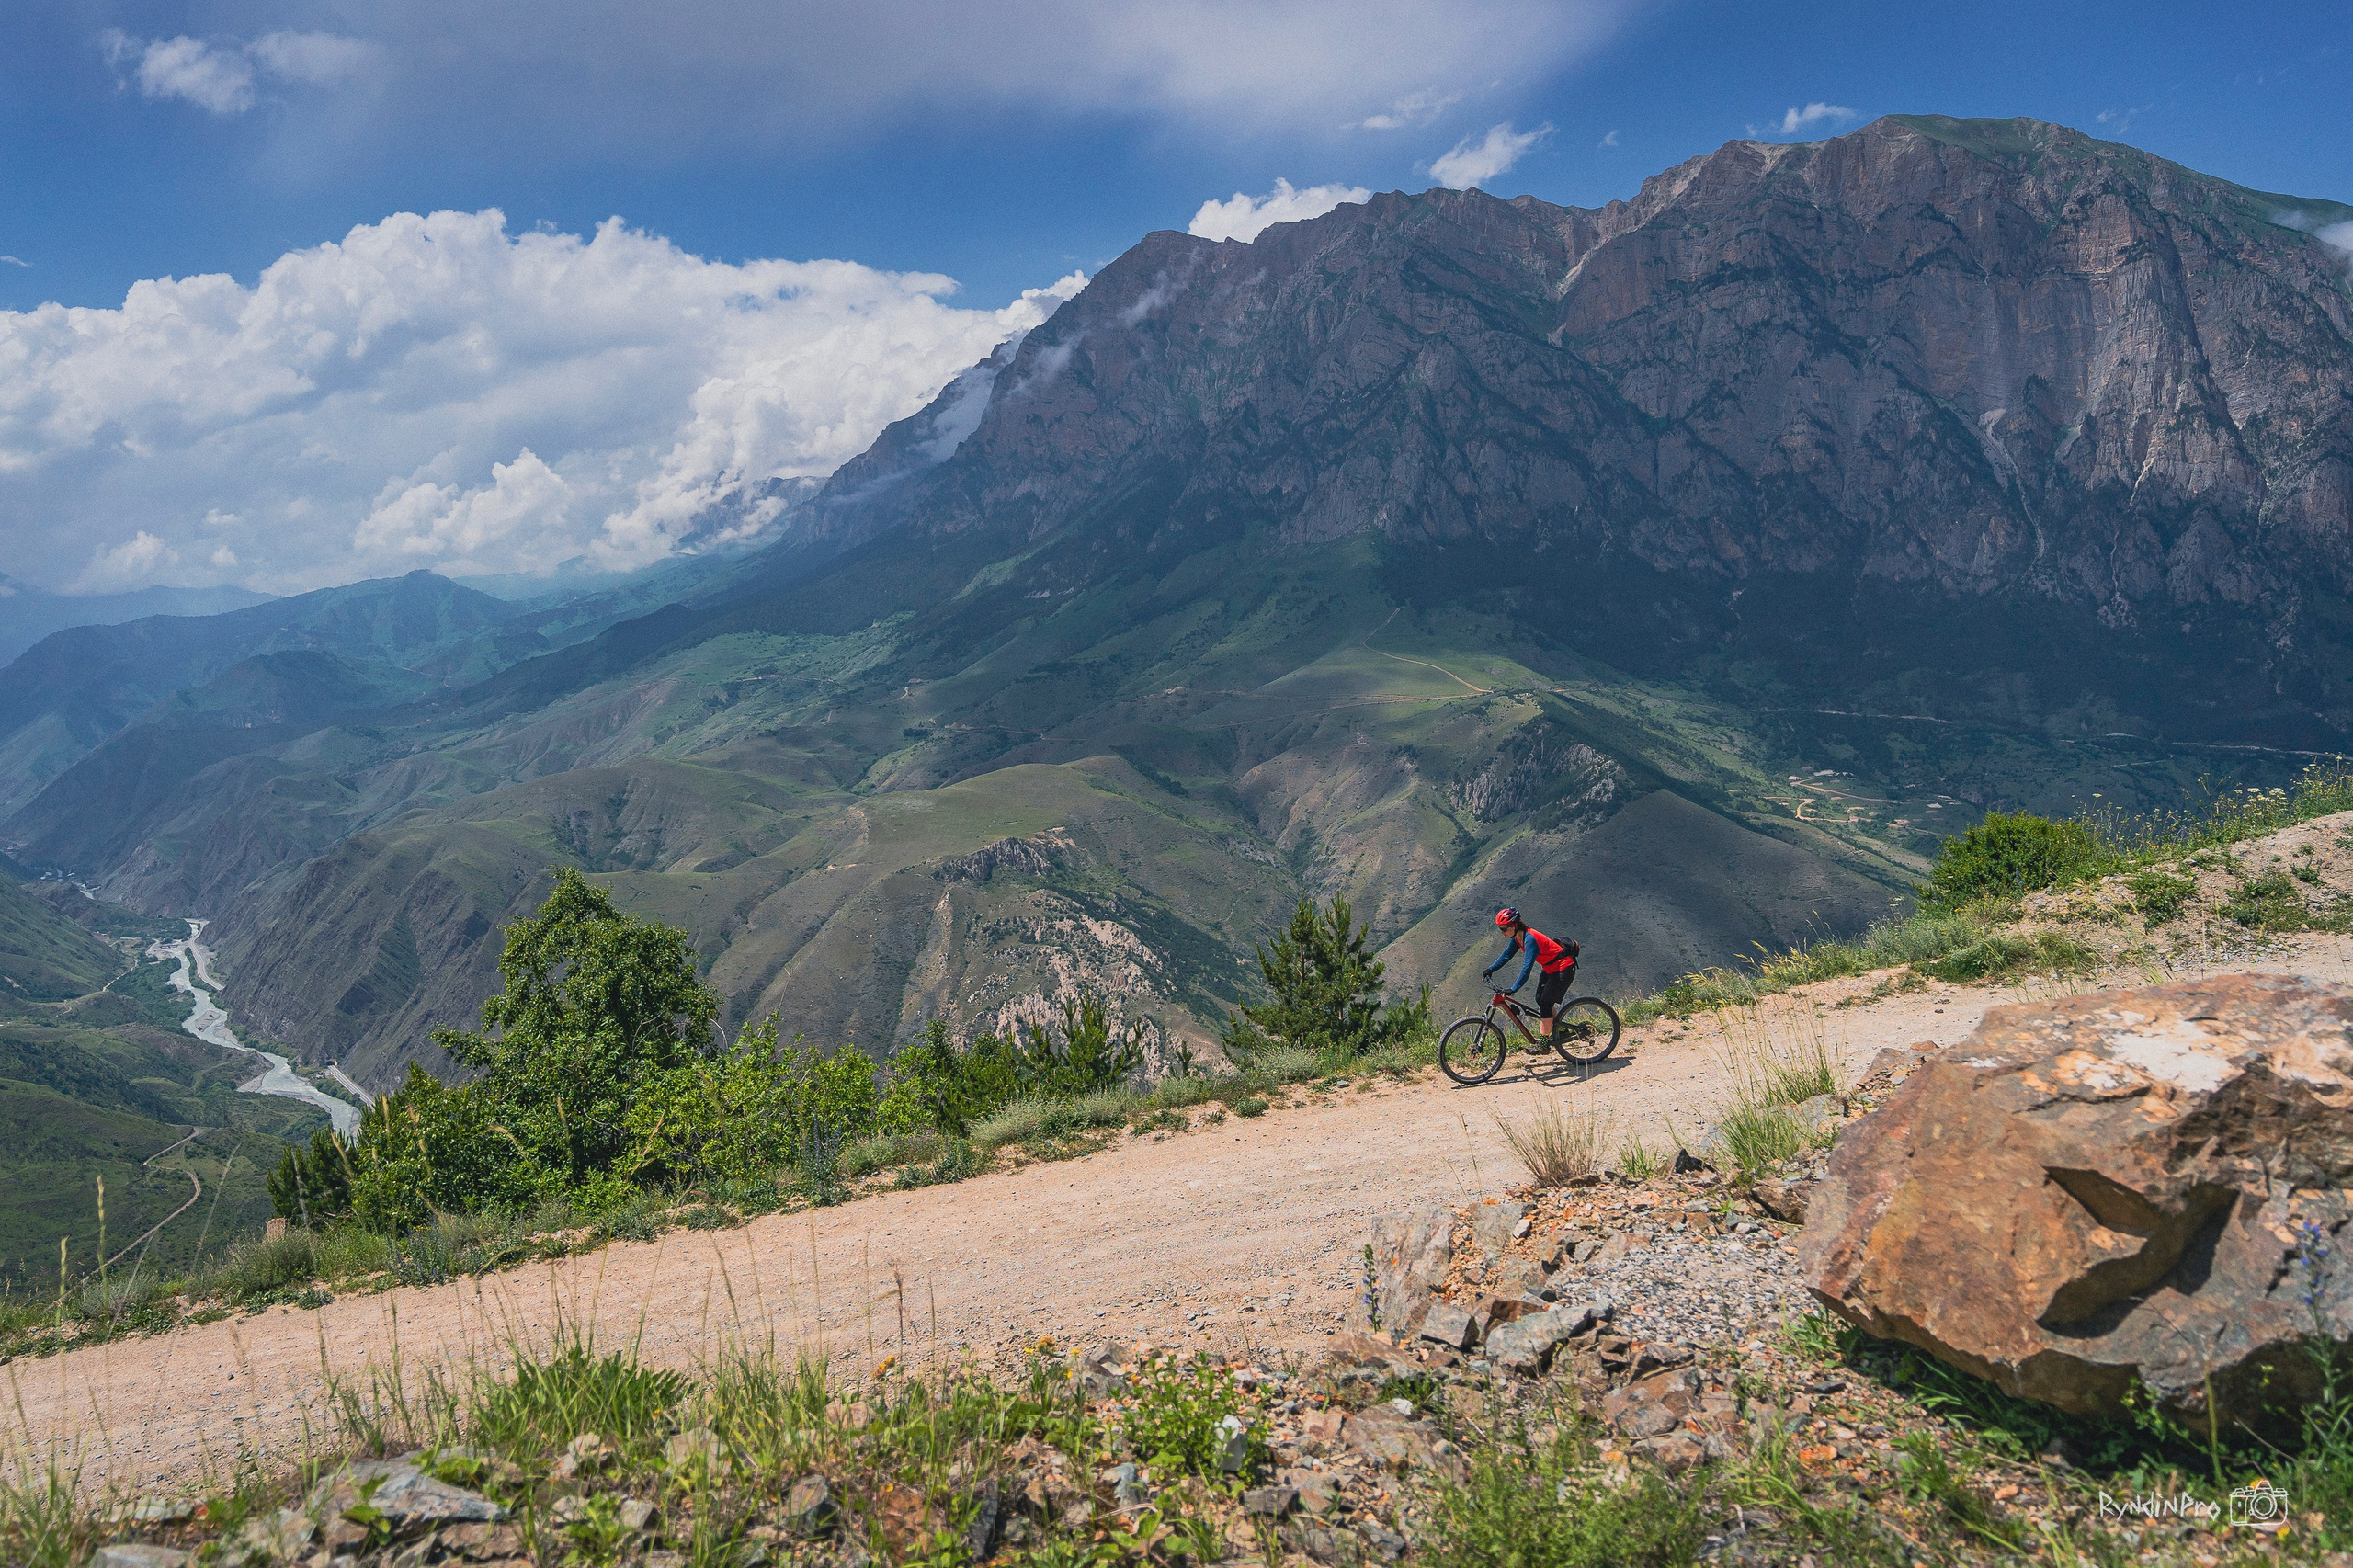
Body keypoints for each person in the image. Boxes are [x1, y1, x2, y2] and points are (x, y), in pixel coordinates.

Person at [1481, 906, 1580, 1043]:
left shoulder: (1530, 939)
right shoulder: (1518, 937)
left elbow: (1526, 968)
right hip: (1550, 968)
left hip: (1564, 969)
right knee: (1540, 999)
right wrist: (1490, 969)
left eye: (1504, 928)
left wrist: (1513, 989)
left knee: (1545, 1004)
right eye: (1500, 929)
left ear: (1514, 925)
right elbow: (1507, 955)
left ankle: (1543, 1044)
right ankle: (1562, 1031)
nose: (1502, 932)